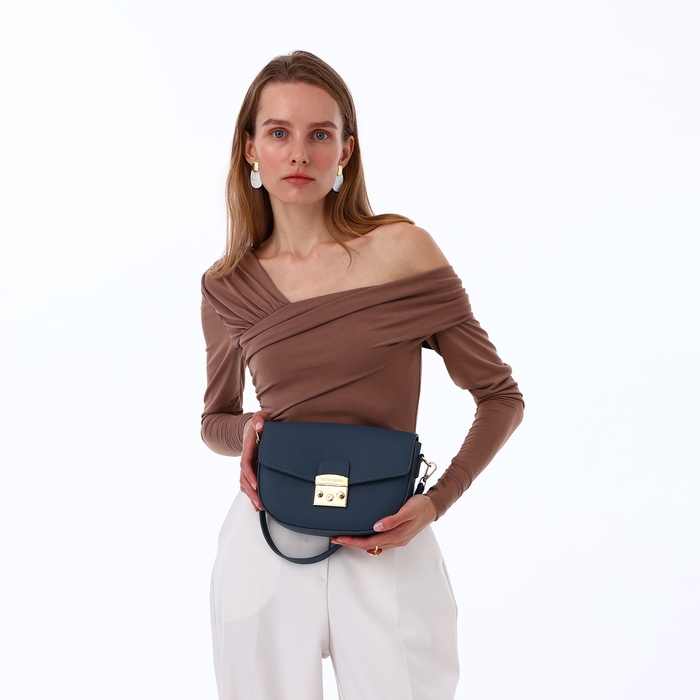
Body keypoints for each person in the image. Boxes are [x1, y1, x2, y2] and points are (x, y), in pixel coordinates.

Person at [200, 51, 523, 700]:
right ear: (250, 148)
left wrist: (437, 502)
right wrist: (249, 432)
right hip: (265, 541)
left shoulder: (402, 251)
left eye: (320, 134)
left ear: (346, 150)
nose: (299, 153)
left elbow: (499, 396)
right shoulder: (227, 285)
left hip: (386, 539)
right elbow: (215, 421)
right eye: (279, 132)